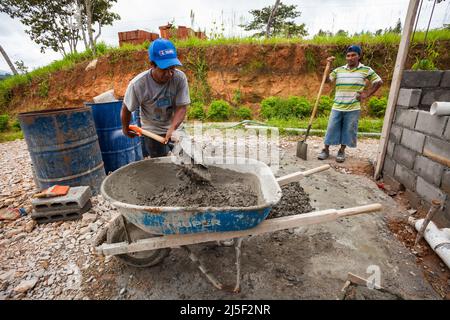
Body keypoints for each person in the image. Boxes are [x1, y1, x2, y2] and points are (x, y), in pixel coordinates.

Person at [121, 38, 190, 158]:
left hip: (175, 126)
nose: (169, 74)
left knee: (186, 159)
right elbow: (126, 108)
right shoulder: (138, 85)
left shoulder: (179, 78)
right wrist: (125, 128)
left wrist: (172, 128)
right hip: (151, 131)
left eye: (172, 68)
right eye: (164, 69)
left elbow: (181, 108)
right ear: (152, 64)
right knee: (159, 166)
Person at [318, 45, 383, 163]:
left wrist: (367, 94)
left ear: (359, 56)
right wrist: (328, 66)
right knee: (331, 128)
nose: (350, 58)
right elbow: (327, 81)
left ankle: (341, 151)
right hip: (337, 106)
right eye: (348, 56)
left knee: (348, 130)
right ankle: (325, 149)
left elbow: (378, 82)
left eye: (353, 55)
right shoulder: (338, 70)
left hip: (353, 107)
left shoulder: (366, 70)